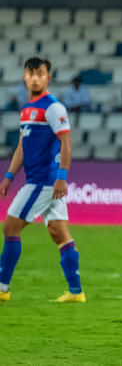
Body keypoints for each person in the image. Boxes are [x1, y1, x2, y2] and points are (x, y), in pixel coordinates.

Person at [0, 57, 83, 303]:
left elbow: (67, 142)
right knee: (60, 233)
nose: (35, 78)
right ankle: (76, 293)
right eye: (31, 73)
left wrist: (62, 177)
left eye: (40, 73)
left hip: (43, 181)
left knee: (10, 228)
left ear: (48, 77)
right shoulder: (27, 109)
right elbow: (22, 146)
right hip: (42, 181)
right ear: (25, 77)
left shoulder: (53, 107)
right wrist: (9, 176)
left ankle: (2, 289)